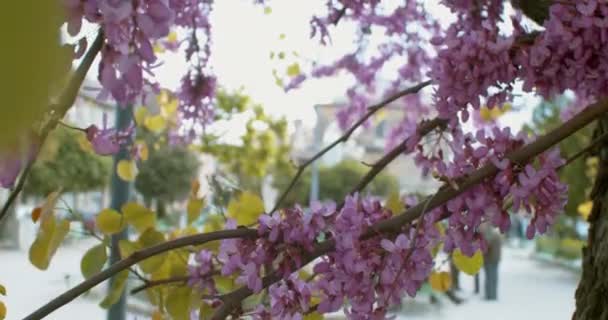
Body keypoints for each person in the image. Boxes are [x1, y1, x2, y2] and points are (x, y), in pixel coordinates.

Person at [481, 223, 502, 300]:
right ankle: (493, 295)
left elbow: (487, 245)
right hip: (494, 259)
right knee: (493, 278)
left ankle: (489, 296)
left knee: (489, 278)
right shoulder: (496, 233)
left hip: (490, 259)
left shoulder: (490, 234)